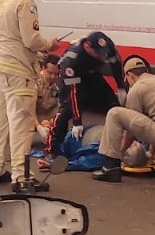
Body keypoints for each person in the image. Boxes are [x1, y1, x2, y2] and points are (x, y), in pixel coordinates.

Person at [0, 0, 60, 187]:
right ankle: (22, 176)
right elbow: (31, 40)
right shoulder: (25, 2)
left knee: (0, 121)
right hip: (19, 71)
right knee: (22, 124)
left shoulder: (0, 0)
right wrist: (51, 44)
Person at [92, 58, 155, 183]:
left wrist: (121, 152)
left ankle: (111, 167)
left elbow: (131, 129)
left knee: (114, 113)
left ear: (129, 74)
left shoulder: (137, 88)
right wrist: (150, 153)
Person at [42, 31, 126, 169]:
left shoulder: (107, 46)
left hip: (92, 74)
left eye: (103, 53)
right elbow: (74, 93)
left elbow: (116, 65)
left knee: (113, 104)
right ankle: (51, 151)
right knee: (66, 109)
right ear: (87, 47)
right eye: (98, 53)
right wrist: (77, 121)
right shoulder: (72, 60)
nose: (102, 56)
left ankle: (123, 140)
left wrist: (121, 88)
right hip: (71, 80)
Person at [36, 54, 61, 123]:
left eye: (56, 74)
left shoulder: (59, 84)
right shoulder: (34, 83)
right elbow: (28, 110)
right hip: (34, 124)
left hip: (52, 122)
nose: (53, 77)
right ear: (43, 68)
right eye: (50, 73)